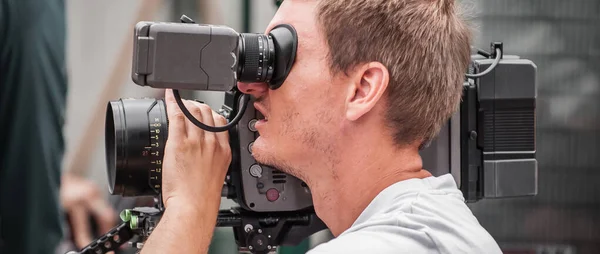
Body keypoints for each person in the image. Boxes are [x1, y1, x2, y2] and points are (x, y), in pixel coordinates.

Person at [140, 0, 502, 253]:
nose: (249, 86)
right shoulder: (420, 229)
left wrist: (188, 210)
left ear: (361, 90)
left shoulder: (395, 246)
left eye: (280, 58)